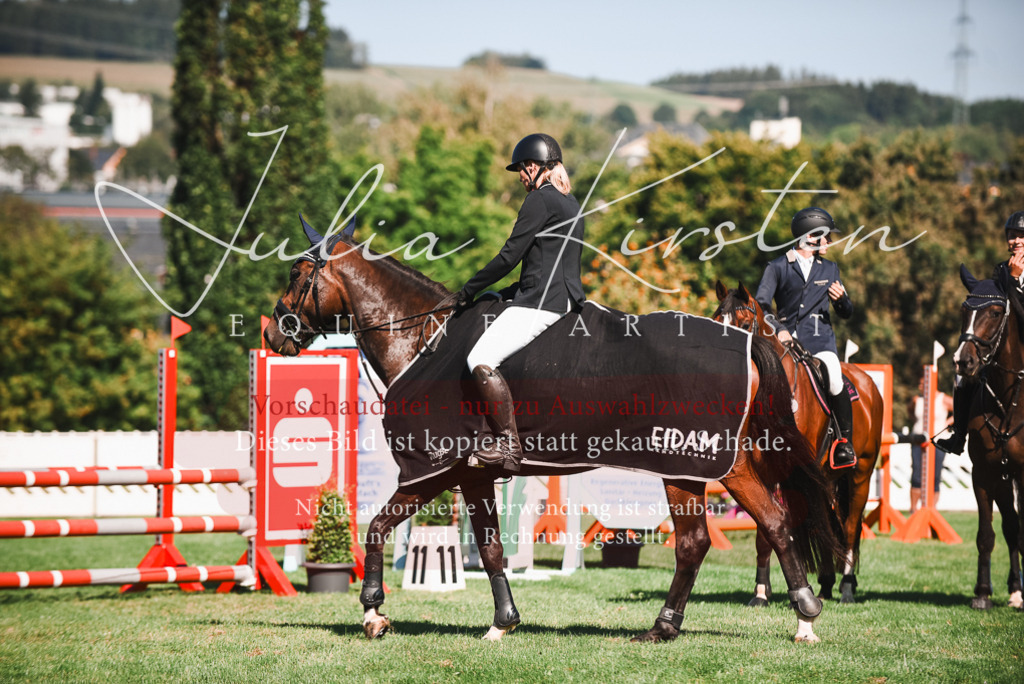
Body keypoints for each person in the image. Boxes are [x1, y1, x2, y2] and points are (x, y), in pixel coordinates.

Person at [455, 133, 585, 473]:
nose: (521, 180)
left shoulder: (539, 201)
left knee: (479, 358)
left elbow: (509, 256)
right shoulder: (570, 203)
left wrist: (468, 290)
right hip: (566, 299)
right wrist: (508, 292)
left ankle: (508, 445)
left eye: (522, 172)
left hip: (542, 304)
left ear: (532, 166)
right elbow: (549, 264)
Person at [755, 207, 857, 467]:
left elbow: (846, 313)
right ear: (810, 236)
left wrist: (843, 300)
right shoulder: (777, 267)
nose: (830, 242)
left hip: (820, 340)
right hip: (785, 341)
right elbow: (762, 306)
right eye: (826, 237)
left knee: (835, 378)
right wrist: (779, 329)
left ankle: (844, 443)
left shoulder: (830, 269)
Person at [936, 210, 1024, 455]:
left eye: (1021, 235)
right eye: (1011, 235)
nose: (1015, 240)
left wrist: (1015, 283)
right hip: (1007, 352)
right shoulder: (1001, 271)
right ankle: (959, 436)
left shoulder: (1011, 275)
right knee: (962, 378)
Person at [908, 380, 954, 511]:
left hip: (937, 442)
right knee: (916, 475)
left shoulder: (943, 399)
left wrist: (947, 423)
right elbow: (910, 411)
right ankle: (913, 509)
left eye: (922, 384)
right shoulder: (917, 399)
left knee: (935, 476)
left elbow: (961, 409)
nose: (919, 386)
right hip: (918, 441)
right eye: (920, 383)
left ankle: (932, 509)